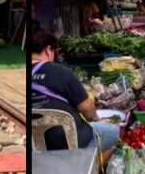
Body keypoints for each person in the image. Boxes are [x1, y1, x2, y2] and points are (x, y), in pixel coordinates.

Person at [31, 31, 120, 164]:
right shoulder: (60, 71)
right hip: (70, 142)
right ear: (48, 49)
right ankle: (87, 166)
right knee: (114, 132)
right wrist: (96, 119)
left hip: (37, 145)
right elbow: (87, 108)